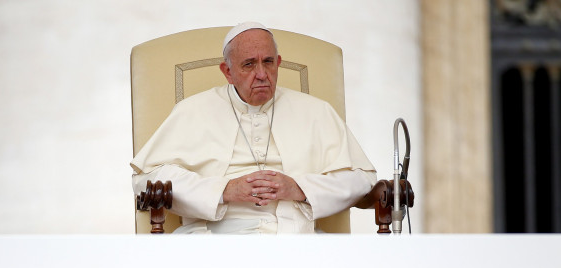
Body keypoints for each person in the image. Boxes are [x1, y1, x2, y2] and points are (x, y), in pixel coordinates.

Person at [131, 22, 377, 233]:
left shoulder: (317, 111)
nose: (262, 74)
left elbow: (362, 179)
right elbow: (147, 180)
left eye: (268, 62)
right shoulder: (192, 110)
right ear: (227, 72)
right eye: (249, 64)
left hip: (297, 238)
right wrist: (224, 190)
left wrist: (300, 188)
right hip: (213, 239)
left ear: (278, 62)